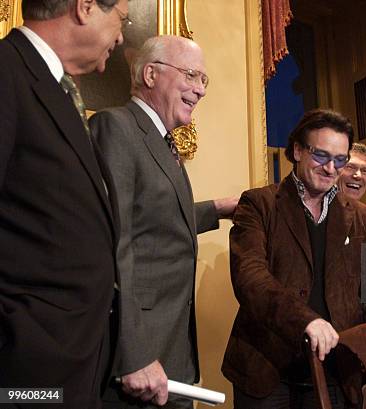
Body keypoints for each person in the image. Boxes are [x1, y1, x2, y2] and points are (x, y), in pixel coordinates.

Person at [223, 109, 366, 408]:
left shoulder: (358, 215)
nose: (331, 168)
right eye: (321, 156)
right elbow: (250, 277)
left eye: (340, 159)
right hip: (267, 369)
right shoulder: (259, 203)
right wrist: (306, 320)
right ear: (298, 150)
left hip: (335, 371)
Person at [89, 35, 237, 408]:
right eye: (191, 75)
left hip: (174, 348)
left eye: (204, 80)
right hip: (138, 355)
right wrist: (134, 352)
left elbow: (155, 217)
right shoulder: (117, 127)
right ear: (151, 74)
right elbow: (114, 238)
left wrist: (216, 208)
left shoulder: (163, 142)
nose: (200, 90)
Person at [0, 1, 127, 408]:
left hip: (77, 361)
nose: (122, 35)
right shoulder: (6, 72)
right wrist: (20, 339)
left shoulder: (58, 88)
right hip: (27, 368)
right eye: (121, 18)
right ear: (86, 7)